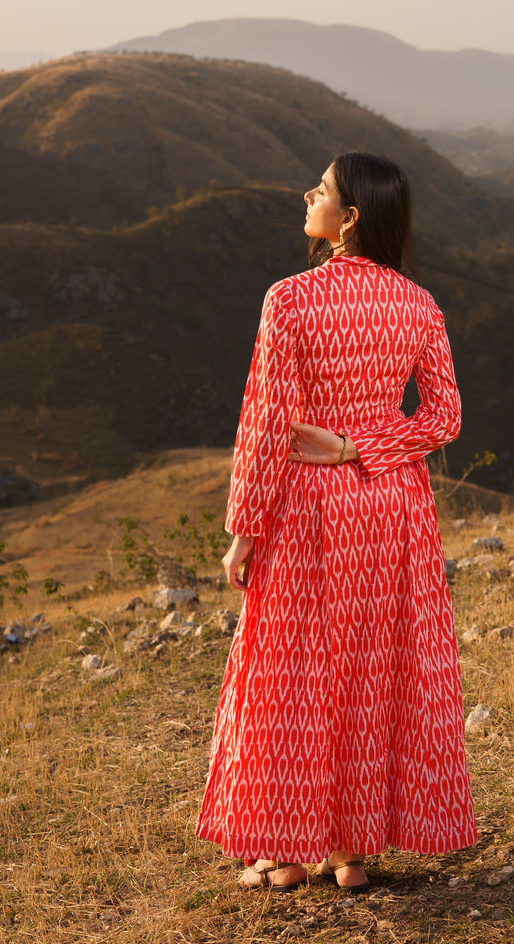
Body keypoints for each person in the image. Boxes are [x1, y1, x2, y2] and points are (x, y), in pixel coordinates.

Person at [195, 151, 477, 892]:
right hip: (395, 508)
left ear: (348, 217)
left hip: (309, 506)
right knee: (376, 668)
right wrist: (367, 444)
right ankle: (354, 852)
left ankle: (284, 851)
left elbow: (264, 426)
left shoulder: (289, 300)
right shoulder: (420, 306)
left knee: (292, 671)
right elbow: (445, 418)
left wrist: (243, 529)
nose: (307, 196)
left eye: (321, 190)